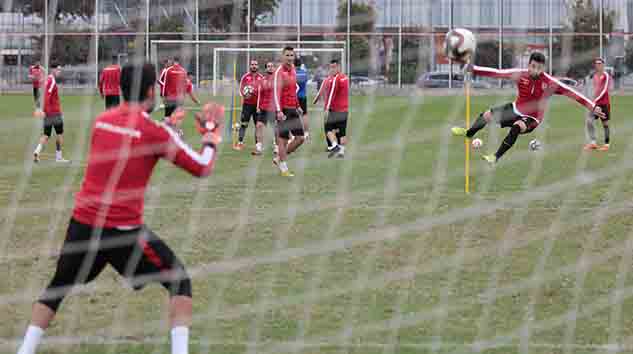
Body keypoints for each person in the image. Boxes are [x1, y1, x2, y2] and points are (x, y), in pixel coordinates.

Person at [15, 62, 224, 354]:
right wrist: (211, 136)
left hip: (83, 224)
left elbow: (131, 140)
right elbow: (202, 167)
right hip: (122, 230)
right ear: (152, 91)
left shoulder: (102, 121)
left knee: (57, 287)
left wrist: (166, 130)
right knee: (180, 282)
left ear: (122, 88)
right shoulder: (153, 133)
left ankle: (25, 350)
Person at [451, 52, 604, 164]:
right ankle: (468, 133)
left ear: (543, 68)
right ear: (528, 65)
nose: (535, 70)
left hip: (533, 118)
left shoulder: (550, 82)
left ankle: (495, 157)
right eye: (532, 66)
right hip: (515, 108)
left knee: (517, 127)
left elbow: (572, 92)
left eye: (538, 67)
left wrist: (592, 106)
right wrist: (474, 69)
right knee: (486, 116)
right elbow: (497, 73)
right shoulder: (520, 75)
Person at [273, 46, 305, 177]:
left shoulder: (293, 70)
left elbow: (293, 89)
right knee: (283, 140)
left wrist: (297, 105)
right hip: (283, 110)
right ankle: (284, 168)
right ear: (282, 56)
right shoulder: (279, 72)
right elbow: (276, 92)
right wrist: (279, 111)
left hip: (293, 108)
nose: (290, 58)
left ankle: (279, 158)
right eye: (287, 55)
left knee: (300, 138)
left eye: (292, 55)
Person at [33, 64, 69, 163]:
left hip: (47, 113)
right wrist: (44, 110)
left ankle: (37, 152)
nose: (59, 72)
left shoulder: (48, 79)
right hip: (54, 113)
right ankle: (59, 157)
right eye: (58, 70)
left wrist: (42, 110)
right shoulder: (51, 80)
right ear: (53, 70)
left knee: (46, 134)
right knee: (60, 134)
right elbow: (47, 96)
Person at [320, 59, 349, 158]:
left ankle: (334, 146)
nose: (332, 69)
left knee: (328, 129)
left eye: (334, 67)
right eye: (330, 67)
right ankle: (342, 152)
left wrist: (327, 108)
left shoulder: (336, 79)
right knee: (342, 132)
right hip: (344, 110)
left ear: (338, 67)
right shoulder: (345, 77)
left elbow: (332, 94)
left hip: (335, 110)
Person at [235, 59, 264, 150]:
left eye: (255, 64)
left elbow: (264, 90)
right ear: (250, 66)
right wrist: (245, 95)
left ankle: (257, 145)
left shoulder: (261, 77)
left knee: (257, 126)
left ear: (258, 66)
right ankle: (240, 142)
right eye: (252, 64)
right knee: (244, 124)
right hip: (247, 105)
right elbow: (241, 89)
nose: (254, 66)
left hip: (258, 106)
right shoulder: (245, 77)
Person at [584, 57, 612, 151]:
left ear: (603, 65)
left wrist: (595, 100)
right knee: (589, 121)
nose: (598, 65)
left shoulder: (606, 75)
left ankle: (606, 144)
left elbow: (604, 90)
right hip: (595, 104)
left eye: (600, 63)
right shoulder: (595, 76)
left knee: (605, 124)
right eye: (596, 63)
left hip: (604, 104)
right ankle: (593, 143)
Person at [253, 61, 277, 156]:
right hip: (263, 107)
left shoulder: (277, 79)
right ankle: (259, 148)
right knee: (258, 126)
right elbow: (260, 94)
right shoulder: (262, 80)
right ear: (266, 68)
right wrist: (258, 106)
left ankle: (277, 146)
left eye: (272, 66)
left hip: (273, 108)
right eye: (268, 66)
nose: (270, 68)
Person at [295, 57, 310, 141]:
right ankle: (306, 133)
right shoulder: (304, 73)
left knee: (293, 116)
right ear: (300, 64)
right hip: (303, 96)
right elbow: (305, 81)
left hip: (294, 97)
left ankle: (295, 133)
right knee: (304, 115)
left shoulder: (292, 73)